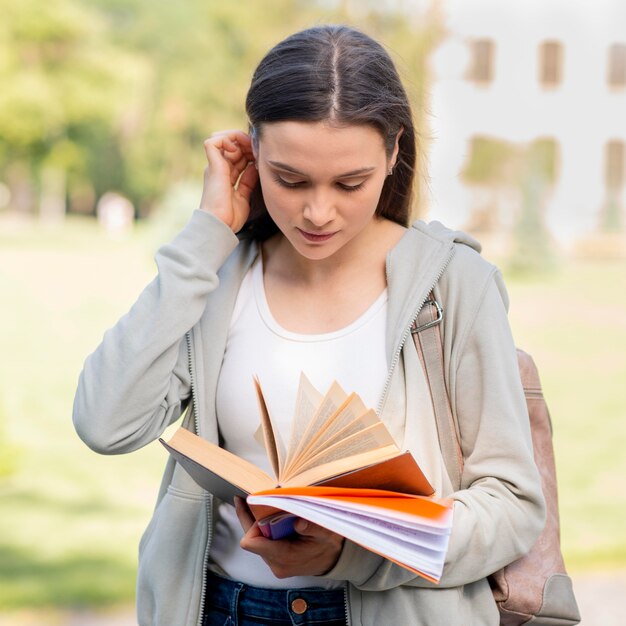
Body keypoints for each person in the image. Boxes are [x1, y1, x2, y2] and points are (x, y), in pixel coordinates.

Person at [73, 24, 545, 626]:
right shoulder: (220, 278)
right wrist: (206, 235)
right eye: (289, 179)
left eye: (350, 183)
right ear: (251, 153)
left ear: (394, 152)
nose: (317, 212)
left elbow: (512, 505)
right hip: (219, 610)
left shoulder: (455, 286)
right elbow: (104, 422)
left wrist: (352, 552)